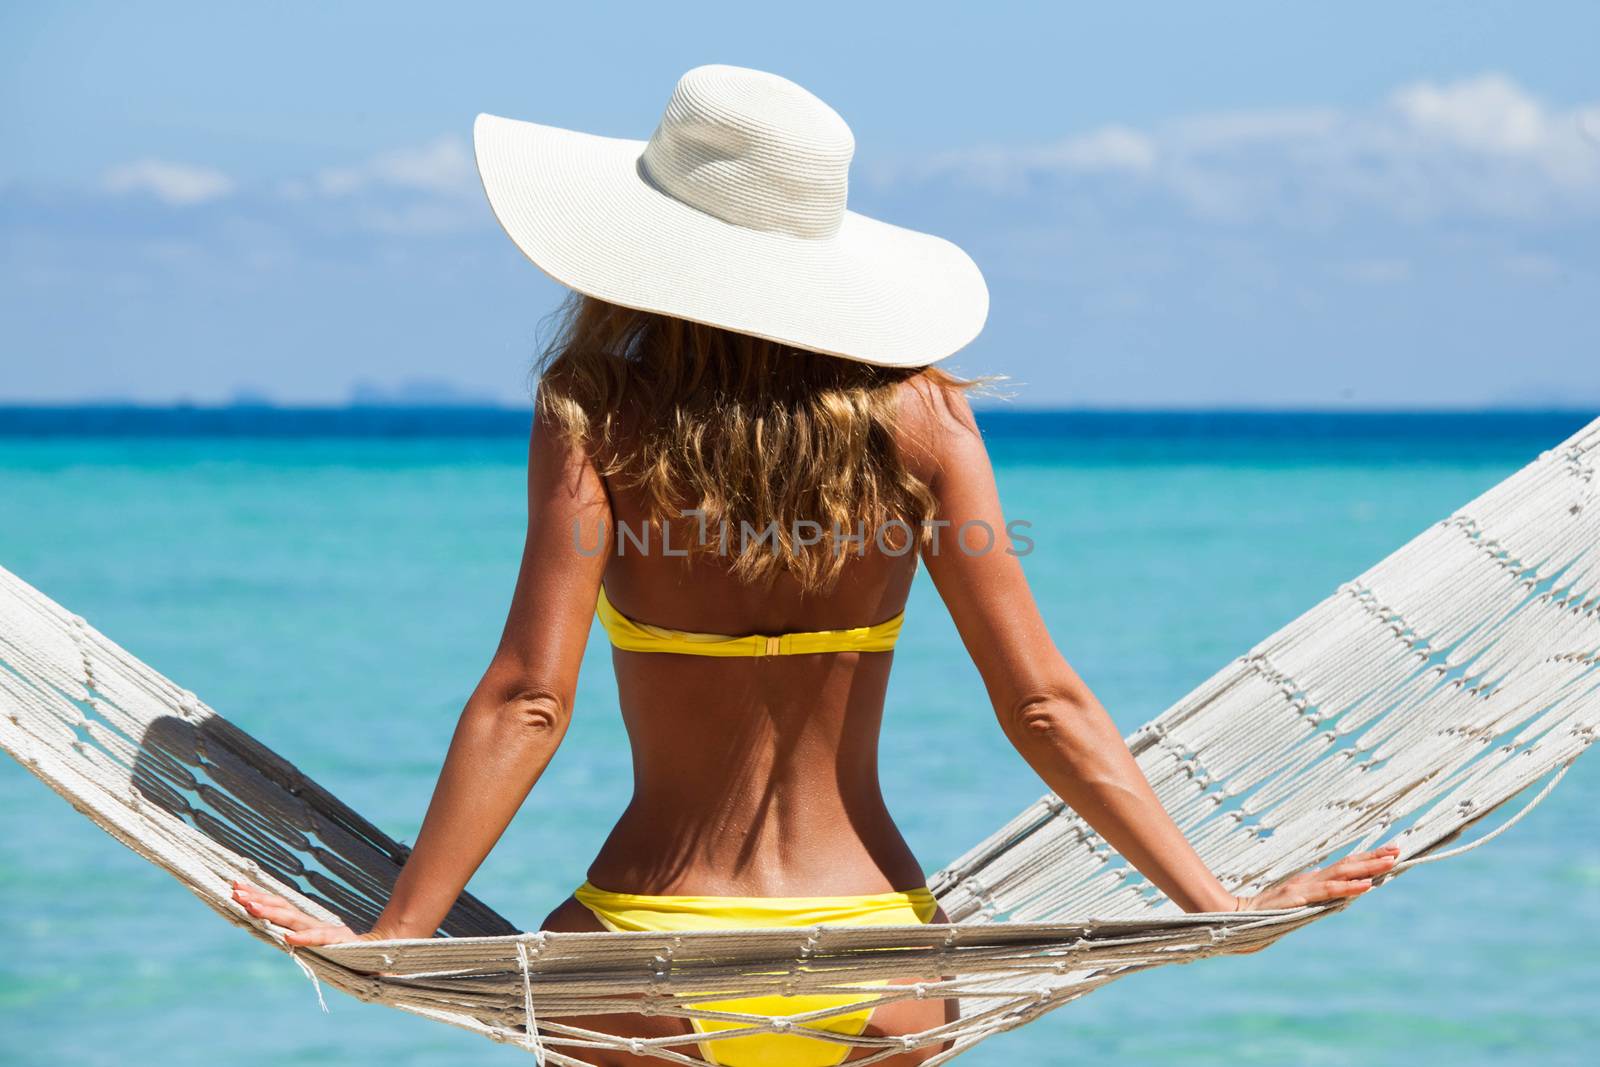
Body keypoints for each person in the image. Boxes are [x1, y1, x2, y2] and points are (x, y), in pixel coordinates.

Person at [232, 65, 1397, 1067]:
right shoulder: (926, 417)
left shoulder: (593, 410)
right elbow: (1040, 700)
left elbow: (531, 699)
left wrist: (394, 936)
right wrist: (1214, 906)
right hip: (880, 950)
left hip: (640, 950)